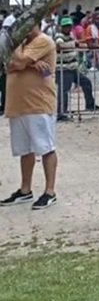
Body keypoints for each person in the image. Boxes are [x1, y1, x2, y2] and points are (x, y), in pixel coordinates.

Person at [1, 22, 59, 209]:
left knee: (45, 147)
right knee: (25, 149)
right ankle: (25, 190)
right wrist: (31, 63)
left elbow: (17, 62)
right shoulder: (23, 46)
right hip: (18, 105)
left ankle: (50, 191)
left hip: (38, 104)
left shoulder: (43, 41)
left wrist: (17, 49)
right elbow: (8, 65)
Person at [54, 16, 95, 120]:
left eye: (69, 26)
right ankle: (61, 113)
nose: (67, 28)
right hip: (63, 68)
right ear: (61, 27)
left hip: (73, 68)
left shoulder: (71, 35)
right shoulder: (59, 36)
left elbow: (76, 45)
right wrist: (75, 44)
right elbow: (60, 46)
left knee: (86, 82)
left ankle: (90, 105)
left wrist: (82, 45)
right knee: (64, 91)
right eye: (65, 26)